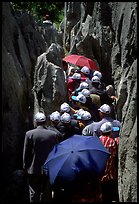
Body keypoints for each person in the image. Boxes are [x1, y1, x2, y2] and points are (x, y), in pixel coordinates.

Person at [23, 112, 59, 202]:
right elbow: (56, 152)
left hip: (33, 168)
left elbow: (26, 153)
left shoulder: (29, 134)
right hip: (48, 168)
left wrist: (25, 166)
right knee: (46, 192)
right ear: (45, 122)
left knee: (33, 192)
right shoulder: (53, 135)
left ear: (35, 122)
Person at [99, 122, 119, 202]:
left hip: (98, 177)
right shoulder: (114, 142)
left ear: (100, 132)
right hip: (110, 177)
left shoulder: (96, 141)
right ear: (111, 132)